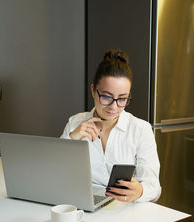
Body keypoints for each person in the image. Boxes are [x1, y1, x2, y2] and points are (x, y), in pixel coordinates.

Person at [61, 49, 161, 202]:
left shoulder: (141, 130)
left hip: (125, 210)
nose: (113, 107)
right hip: (83, 205)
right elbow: (56, 174)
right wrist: (71, 138)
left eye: (122, 99)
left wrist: (140, 191)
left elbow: (154, 188)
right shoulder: (75, 123)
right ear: (93, 90)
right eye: (107, 97)